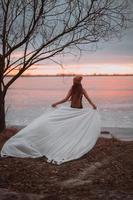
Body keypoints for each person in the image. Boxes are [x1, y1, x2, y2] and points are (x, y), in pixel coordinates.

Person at [1, 76, 101, 164]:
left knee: (74, 128)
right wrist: (56, 103)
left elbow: (87, 99)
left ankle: (73, 143)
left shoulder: (82, 90)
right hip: (72, 110)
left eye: (75, 81)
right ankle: (65, 142)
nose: (74, 82)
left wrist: (93, 105)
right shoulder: (73, 89)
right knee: (67, 127)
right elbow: (66, 99)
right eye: (75, 80)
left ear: (76, 82)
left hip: (78, 112)